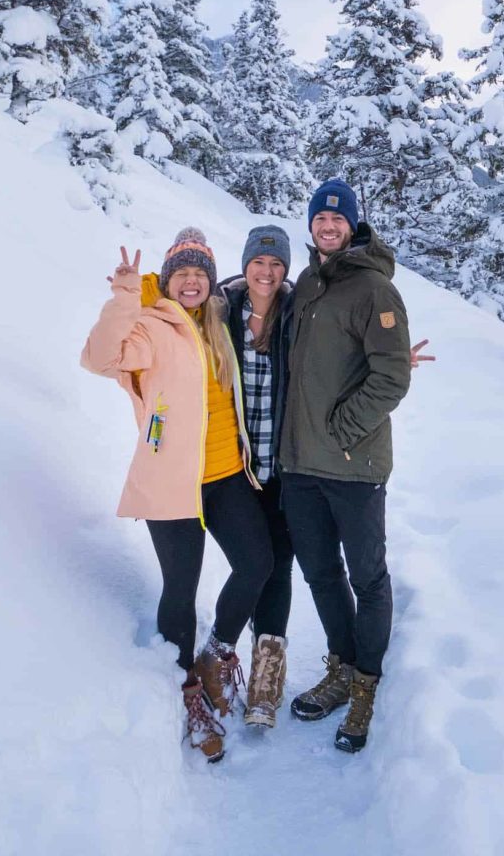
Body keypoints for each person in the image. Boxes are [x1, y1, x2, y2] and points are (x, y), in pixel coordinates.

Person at [81, 227, 277, 763]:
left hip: (224, 476)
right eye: (182, 273)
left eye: (199, 273)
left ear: (210, 282)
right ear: (168, 280)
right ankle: (188, 695)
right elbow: (99, 359)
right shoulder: (149, 324)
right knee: (180, 591)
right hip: (172, 482)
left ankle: (216, 656)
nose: (191, 281)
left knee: (257, 562)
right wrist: (125, 297)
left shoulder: (216, 324)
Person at [278, 178, 413, 753]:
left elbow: (392, 376)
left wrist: (343, 428)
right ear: (310, 226)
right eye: (319, 220)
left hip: (354, 465)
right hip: (302, 466)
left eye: (338, 220)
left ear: (353, 224)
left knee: (367, 577)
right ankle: (340, 666)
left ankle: (366, 684)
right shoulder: (308, 283)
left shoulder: (374, 290)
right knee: (322, 574)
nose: (328, 227)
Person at [217, 224, 297, 728]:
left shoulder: (297, 313)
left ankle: (267, 675)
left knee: (280, 566)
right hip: (237, 467)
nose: (266, 272)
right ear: (245, 264)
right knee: (256, 563)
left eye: (276, 265)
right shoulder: (222, 312)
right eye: (259, 262)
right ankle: (221, 656)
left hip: (287, 466)